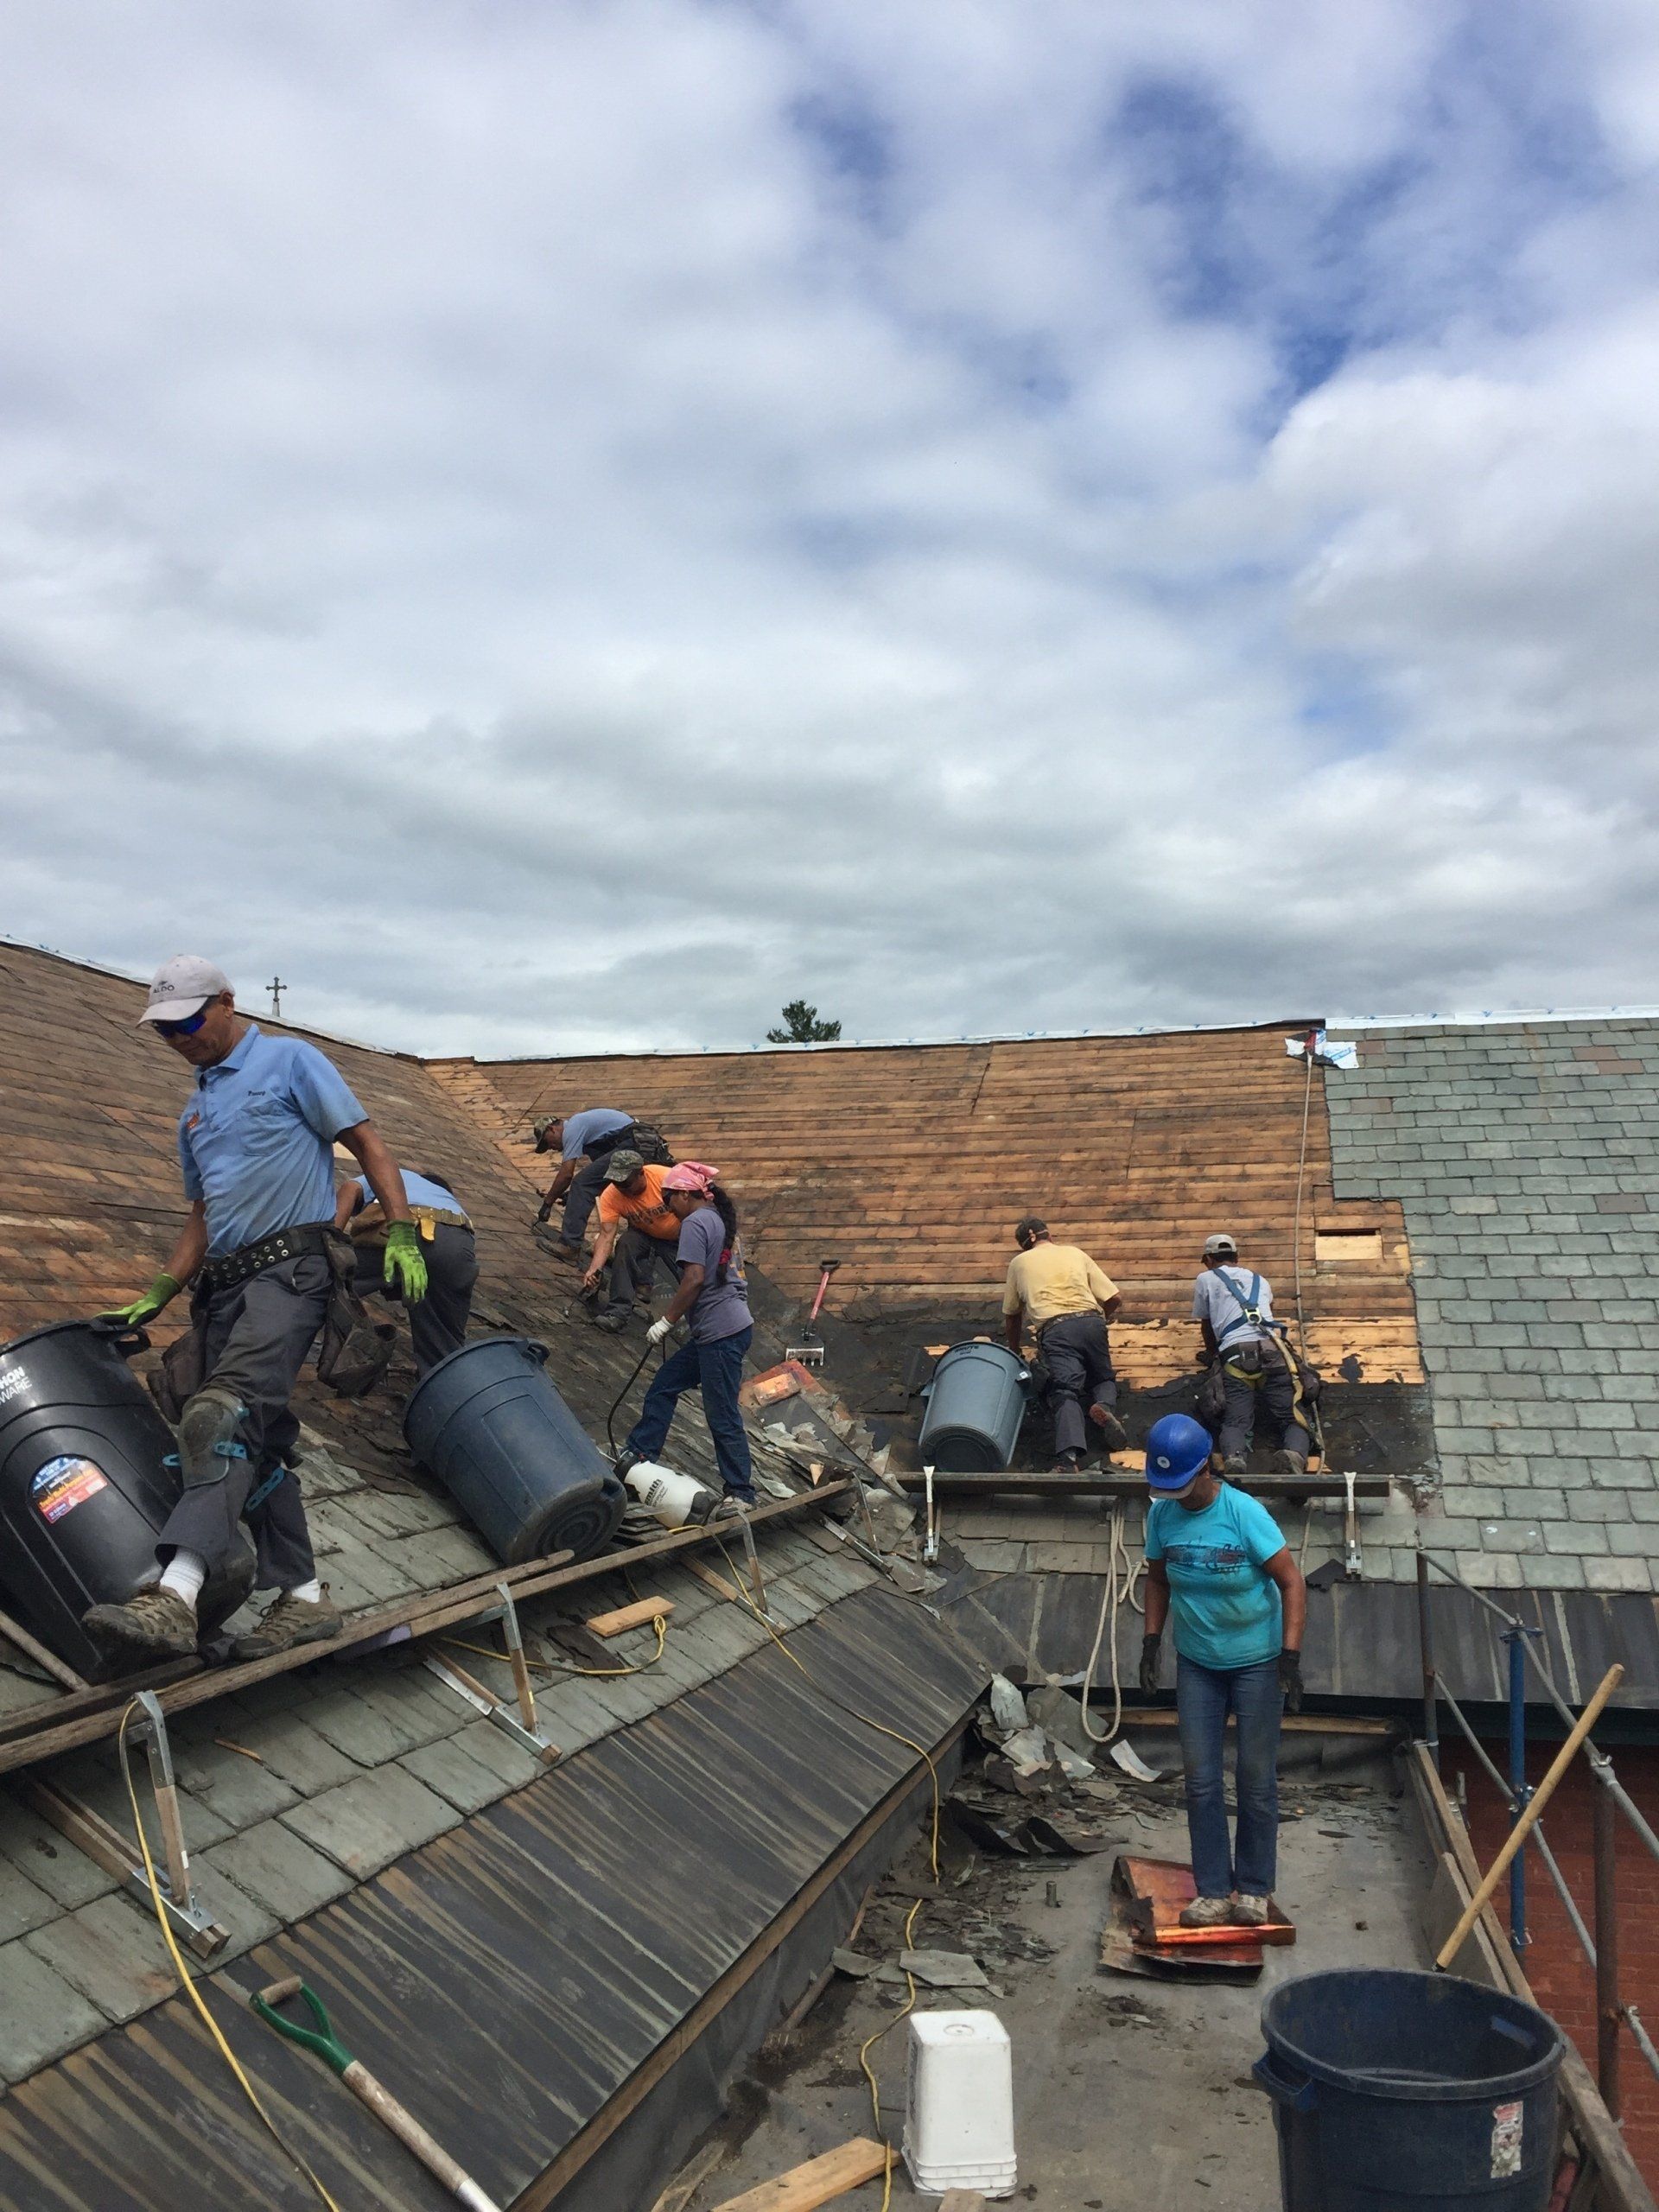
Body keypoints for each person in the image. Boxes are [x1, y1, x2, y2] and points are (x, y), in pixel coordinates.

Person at [82, 957, 427, 1665]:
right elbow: (201, 1218)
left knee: (221, 1417)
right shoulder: (196, 1113)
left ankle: (175, 1595)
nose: (179, 1037)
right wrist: (158, 1292)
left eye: (188, 1021)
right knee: (251, 1441)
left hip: (292, 1270)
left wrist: (399, 1227)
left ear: (227, 1003)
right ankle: (302, 1598)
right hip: (226, 1285)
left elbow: (366, 1143)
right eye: (165, 1030)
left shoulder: (291, 1062)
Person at [1137, 1412, 1306, 1928]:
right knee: (1201, 1781)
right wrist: (1151, 1643)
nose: (1177, 1496)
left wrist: (1290, 1656)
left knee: (1255, 1779)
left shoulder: (1244, 1514)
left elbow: (1292, 1582)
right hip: (1199, 1664)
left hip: (1256, 1662)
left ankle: (1253, 1889)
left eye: (1184, 1485)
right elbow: (1159, 1581)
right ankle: (1212, 1889)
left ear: (1208, 1467)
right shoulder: (1161, 1517)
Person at [613, 1163, 756, 1505]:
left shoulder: (695, 1222)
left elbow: (693, 1279)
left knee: (721, 1414)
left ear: (683, 1194)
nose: (667, 1207)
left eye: (668, 1199)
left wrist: (666, 1321)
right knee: (665, 1384)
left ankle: (741, 1492)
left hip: (721, 1333)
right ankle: (641, 1454)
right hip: (724, 1328)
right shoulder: (717, 1219)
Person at [1001, 1215, 1128, 1470]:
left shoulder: (1019, 1263)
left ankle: (1069, 1458)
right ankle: (1103, 1405)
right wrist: (1102, 1320)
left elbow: (1012, 1315)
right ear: (1050, 1236)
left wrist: (1014, 1350)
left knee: (1065, 1392)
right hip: (1091, 1321)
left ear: (1024, 1244)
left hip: (1056, 1330)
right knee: (1102, 1377)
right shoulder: (1075, 1253)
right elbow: (1114, 1297)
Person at [336, 1163, 477, 1374]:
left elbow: (351, 1188)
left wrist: (330, 1237)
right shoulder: (454, 1204)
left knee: (327, 1282)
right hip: (457, 1241)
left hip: (407, 1229)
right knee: (445, 1347)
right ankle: (444, 1393)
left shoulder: (400, 1176)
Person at [1192, 1232, 1310, 1475]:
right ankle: (1296, 1455)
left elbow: (1207, 1324)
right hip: (1274, 1352)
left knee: (1236, 1421)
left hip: (1236, 1357)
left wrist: (1213, 1355)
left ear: (1208, 1259)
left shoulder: (1206, 1279)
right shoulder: (1261, 1280)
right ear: (1236, 1257)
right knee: (1291, 1417)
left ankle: (1235, 1457)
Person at [580, 1150, 682, 1333]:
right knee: (626, 1244)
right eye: (616, 1183)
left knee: (692, 1276)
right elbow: (606, 1236)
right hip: (643, 1233)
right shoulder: (612, 1195)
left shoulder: (665, 1178)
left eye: (626, 1183)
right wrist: (594, 1269)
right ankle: (617, 1314)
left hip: (679, 1237)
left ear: (641, 1173)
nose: (621, 1188)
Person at [532, 1109, 639, 1262]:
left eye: (547, 1142)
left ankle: (569, 1246)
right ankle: (628, 1256)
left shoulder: (572, 1128)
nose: (551, 1147)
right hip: (638, 1142)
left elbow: (567, 1175)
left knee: (580, 1183)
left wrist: (548, 1203)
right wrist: (574, 1197)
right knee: (622, 1193)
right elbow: (602, 1180)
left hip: (632, 1142)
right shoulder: (590, 1137)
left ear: (552, 1128)